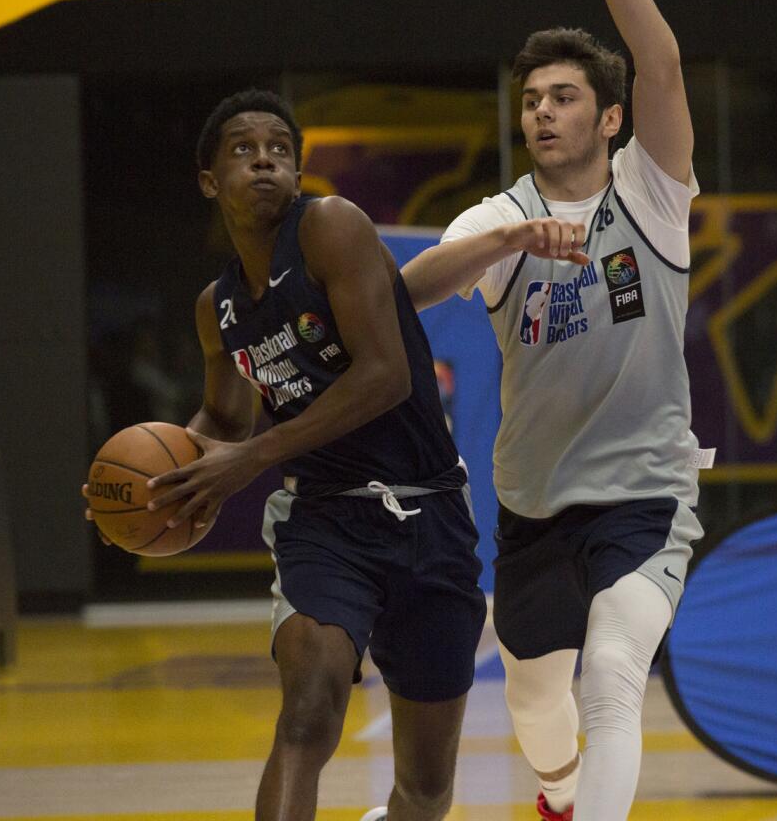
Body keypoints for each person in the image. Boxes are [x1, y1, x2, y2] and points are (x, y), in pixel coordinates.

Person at [87, 90, 566, 821]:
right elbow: (223, 419)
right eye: (244, 150)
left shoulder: (331, 228)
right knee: (309, 712)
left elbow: (384, 375)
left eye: (280, 150)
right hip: (324, 522)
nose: (265, 161)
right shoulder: (216, 308)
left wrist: (247, 459)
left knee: (428, 786)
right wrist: (159, 484)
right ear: (209, 180)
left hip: (430, 513)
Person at [400, 0, 709, 819]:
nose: (542, 109)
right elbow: (406, 293)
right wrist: (509, 241)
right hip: (533, 505)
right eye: (532, 98)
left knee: (613, 672)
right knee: (538, 707)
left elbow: (659, 64)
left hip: (645, 496)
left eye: (565, 96)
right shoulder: (498, 217)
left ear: (608, 119)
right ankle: (561, 792)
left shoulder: (650, 194)